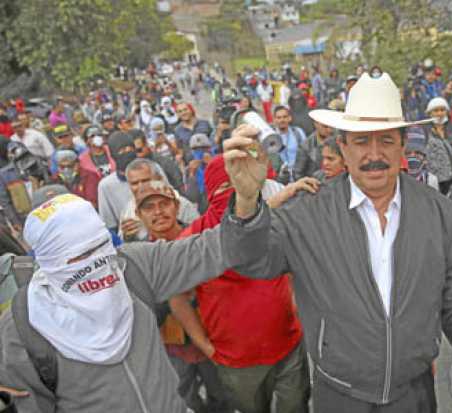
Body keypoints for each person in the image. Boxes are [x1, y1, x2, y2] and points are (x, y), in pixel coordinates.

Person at [221, 72, 452, 413]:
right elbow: (249, 261)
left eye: (386, 140)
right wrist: (247, 203)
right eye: (362, 141)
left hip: (414, 394)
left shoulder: (438, 211)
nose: (374, 154)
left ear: (403, 144)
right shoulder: (307, 212)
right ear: (343, 147)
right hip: (339, 395)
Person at [0, 186, 266, 412]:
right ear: (48, 261)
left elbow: (214, 249)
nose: (96, 264)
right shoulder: (23, 328)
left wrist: (246, 199)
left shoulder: (132, 267)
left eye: (100, 247)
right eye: (79, 257)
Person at [176, 156, 310, 413]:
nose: (236, 195)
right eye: (226, 188)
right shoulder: (191, 240)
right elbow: (178, 297)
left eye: (242, 187)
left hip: (289, 346)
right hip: (236, 361)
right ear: (211, 192)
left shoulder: (268, 222)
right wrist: (204, 345)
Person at [134, 181, 231, 413]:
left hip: (216, 339)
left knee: (224, 398)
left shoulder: (201, 238)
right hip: (171, 350)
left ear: (176, 206)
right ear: (138, 214)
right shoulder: (136, 258)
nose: (158, 212)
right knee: (183, 401)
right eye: (149, 208)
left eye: (164, 204)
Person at [119, 158, 198, 243]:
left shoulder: (182, 204)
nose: (141, 186)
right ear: (138, 213)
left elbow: (198, 231)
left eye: (145, 180)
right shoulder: (127, 210)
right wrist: (128, 237)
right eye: (135, 183)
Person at [0, 142, 49, 229]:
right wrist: (15, 222)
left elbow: (48, 182)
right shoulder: (4, 174)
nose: (18, 153)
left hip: (46, 210)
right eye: (13, 151)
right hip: (26, 218)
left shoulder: (38, 163)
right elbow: (5, 201)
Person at [98, 131, 136, 234]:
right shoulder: (106, 186)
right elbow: (110, 226)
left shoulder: (152, 170)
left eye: (131, 149)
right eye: (122, 150)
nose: (128, 153)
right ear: (114, 155)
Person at [424, 97, 452, 194]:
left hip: (451, 173)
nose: (439, 113)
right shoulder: (425, 130)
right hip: (434, 176)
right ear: (430, 113)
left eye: (442, 110)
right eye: (436, 111)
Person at [273, 105, 307, 183]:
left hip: (299, 177)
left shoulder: (298, 132)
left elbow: (307, 153)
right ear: (274, 120)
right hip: (280, 180)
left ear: (289, 118)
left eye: (285, 117)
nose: (282, 120)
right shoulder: (271, 137)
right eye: (279, 117)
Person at [184, 133, 214, 214]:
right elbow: (192, 197)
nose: (200, 152)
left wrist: (212, 165)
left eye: (203, 148)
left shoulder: (219, 162)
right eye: (196, 149)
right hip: (202, 211)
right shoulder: (189, 169)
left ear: (209, 149)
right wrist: (192, 174)